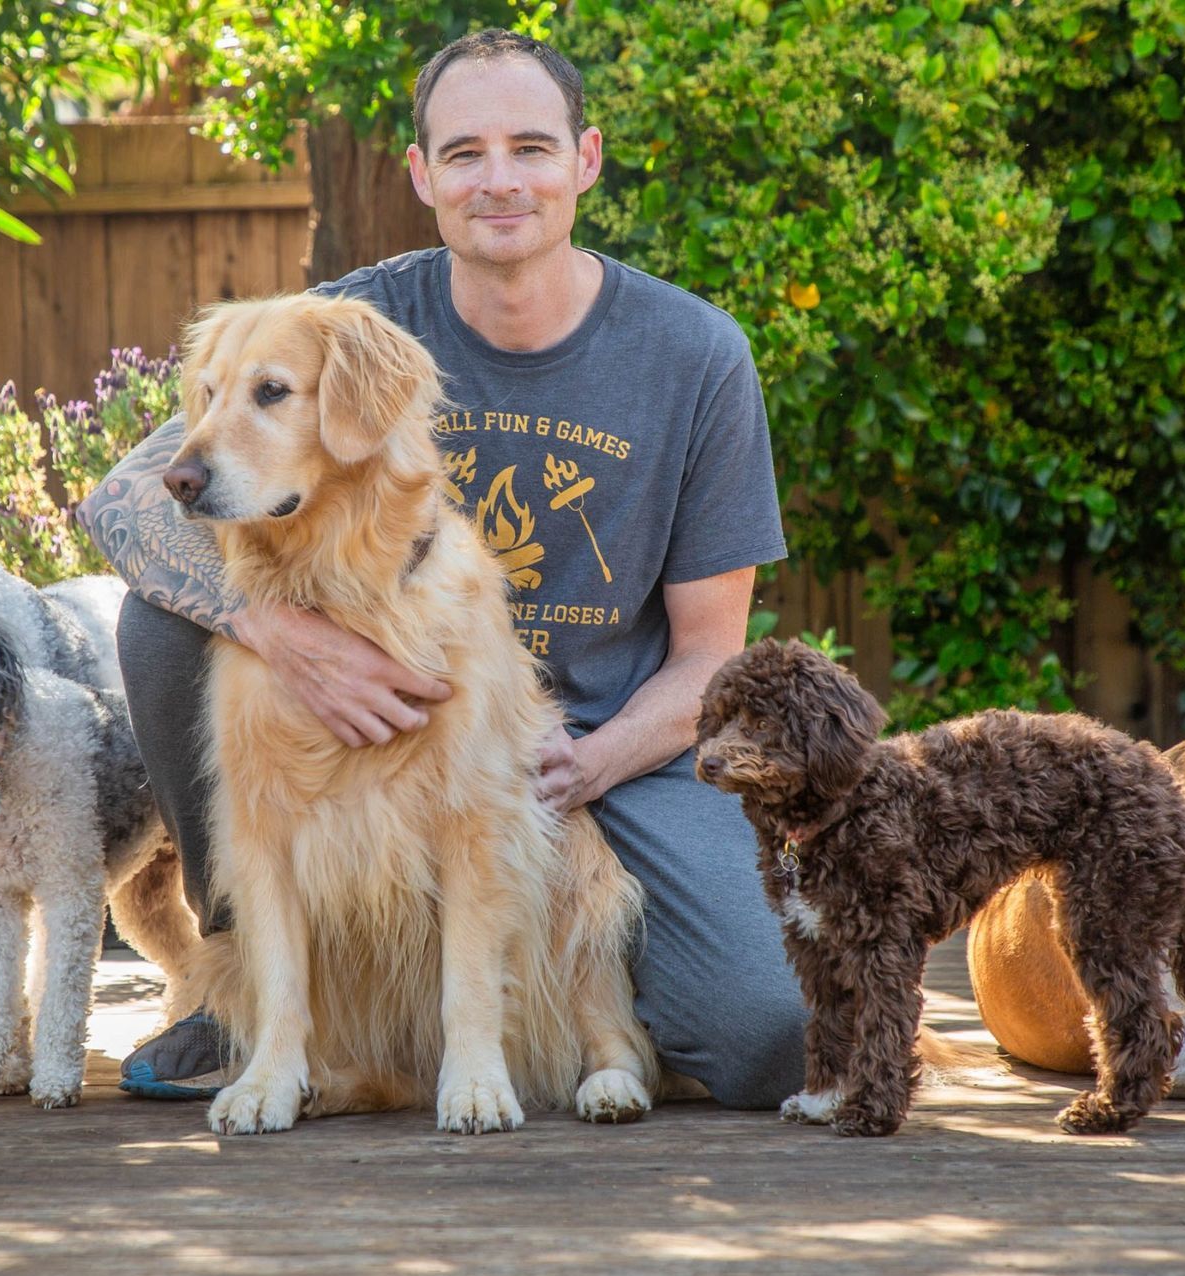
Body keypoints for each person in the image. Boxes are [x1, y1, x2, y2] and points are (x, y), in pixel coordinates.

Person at [77, 28, 806, 1108]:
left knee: (770, 1035)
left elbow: (712, 660)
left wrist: (588, 765)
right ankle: (247, 979)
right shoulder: (357, 323)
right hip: (376, 711)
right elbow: (128, 498)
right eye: (465, 153)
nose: (499, 179)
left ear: (586, 160)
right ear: (423, 177)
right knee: (167, 620)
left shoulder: (694, 354)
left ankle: (593, 1002)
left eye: (531, 147)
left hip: (607, 745)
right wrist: (284, 632)